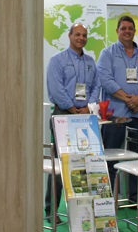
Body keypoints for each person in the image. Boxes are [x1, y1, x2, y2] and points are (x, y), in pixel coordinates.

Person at [98, 15, 138, 202]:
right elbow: (105, 80)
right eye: (123, 28)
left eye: (130, 28)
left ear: (134, 31)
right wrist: (128, 99)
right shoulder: (107, 54)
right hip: (115, 116)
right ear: (117, 31)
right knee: (110, 158)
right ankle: (106, 200)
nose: (127, 31)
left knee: (136, 159)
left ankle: (134, 199)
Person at [45, 23, 100, 222]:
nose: (81, 38)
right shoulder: (57, 60)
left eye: (84, 35)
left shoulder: (90, 62)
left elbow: (96, 86)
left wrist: (88, 107)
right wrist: (71, 107)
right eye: (77, 34)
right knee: (60, 167)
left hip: (85, 118)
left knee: (83, 166)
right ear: (69, 36)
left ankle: (80, 211)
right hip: (62, 116)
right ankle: (51, 210)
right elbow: (55, 88)